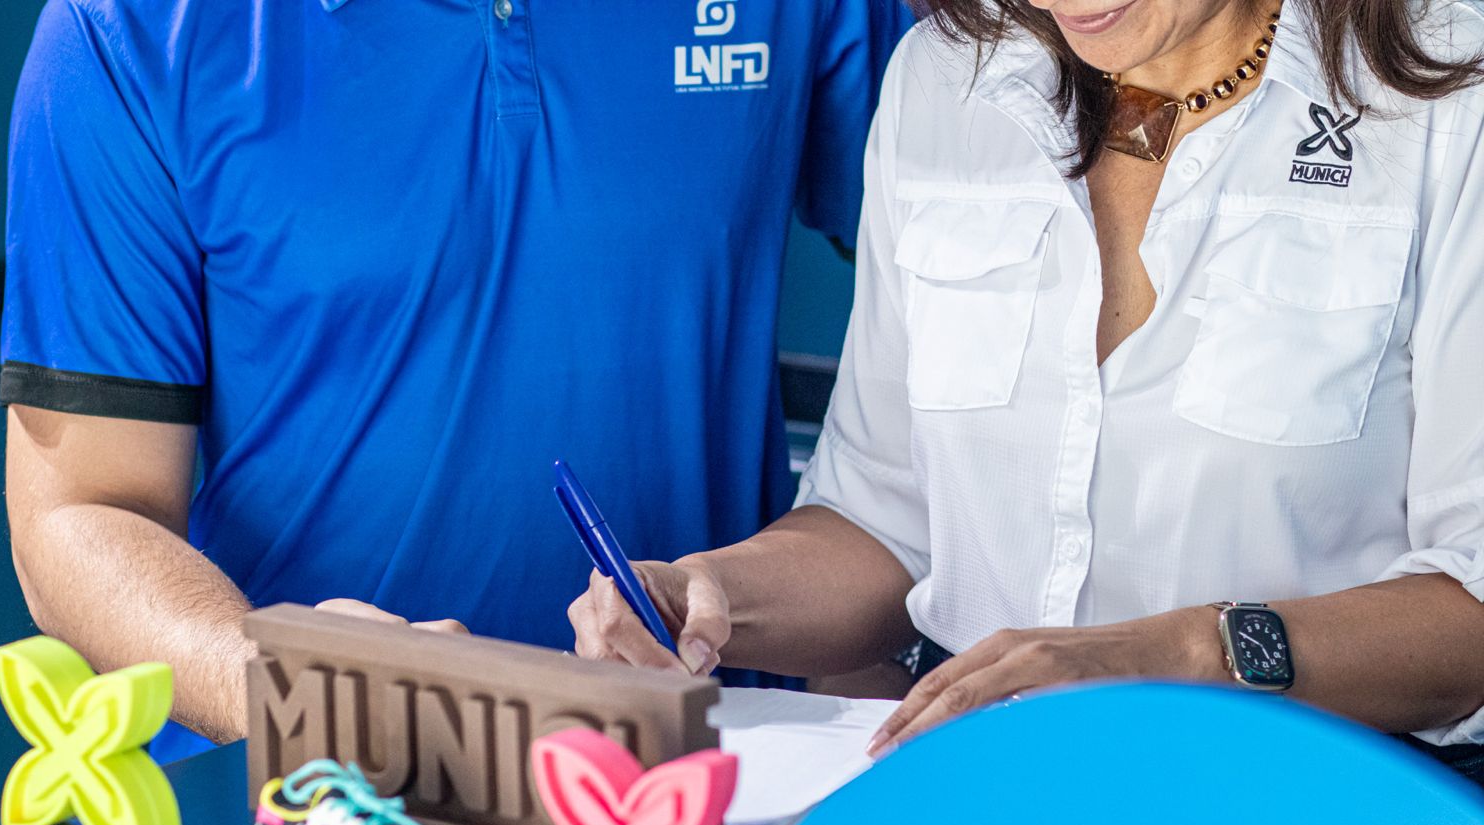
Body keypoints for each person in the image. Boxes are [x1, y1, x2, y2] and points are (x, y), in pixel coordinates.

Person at [569, 0, 1484, 779]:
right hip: (991, 818)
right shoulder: (942, 76)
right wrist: (711, 596)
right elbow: (885, 519)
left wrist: (1173, 655)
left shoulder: (1453, 90)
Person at [0, 0, 914, 760]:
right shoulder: (128, 31)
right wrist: (289, 687)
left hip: (706, 779)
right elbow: (80, 513)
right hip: (323, 802)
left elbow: (968, 309)